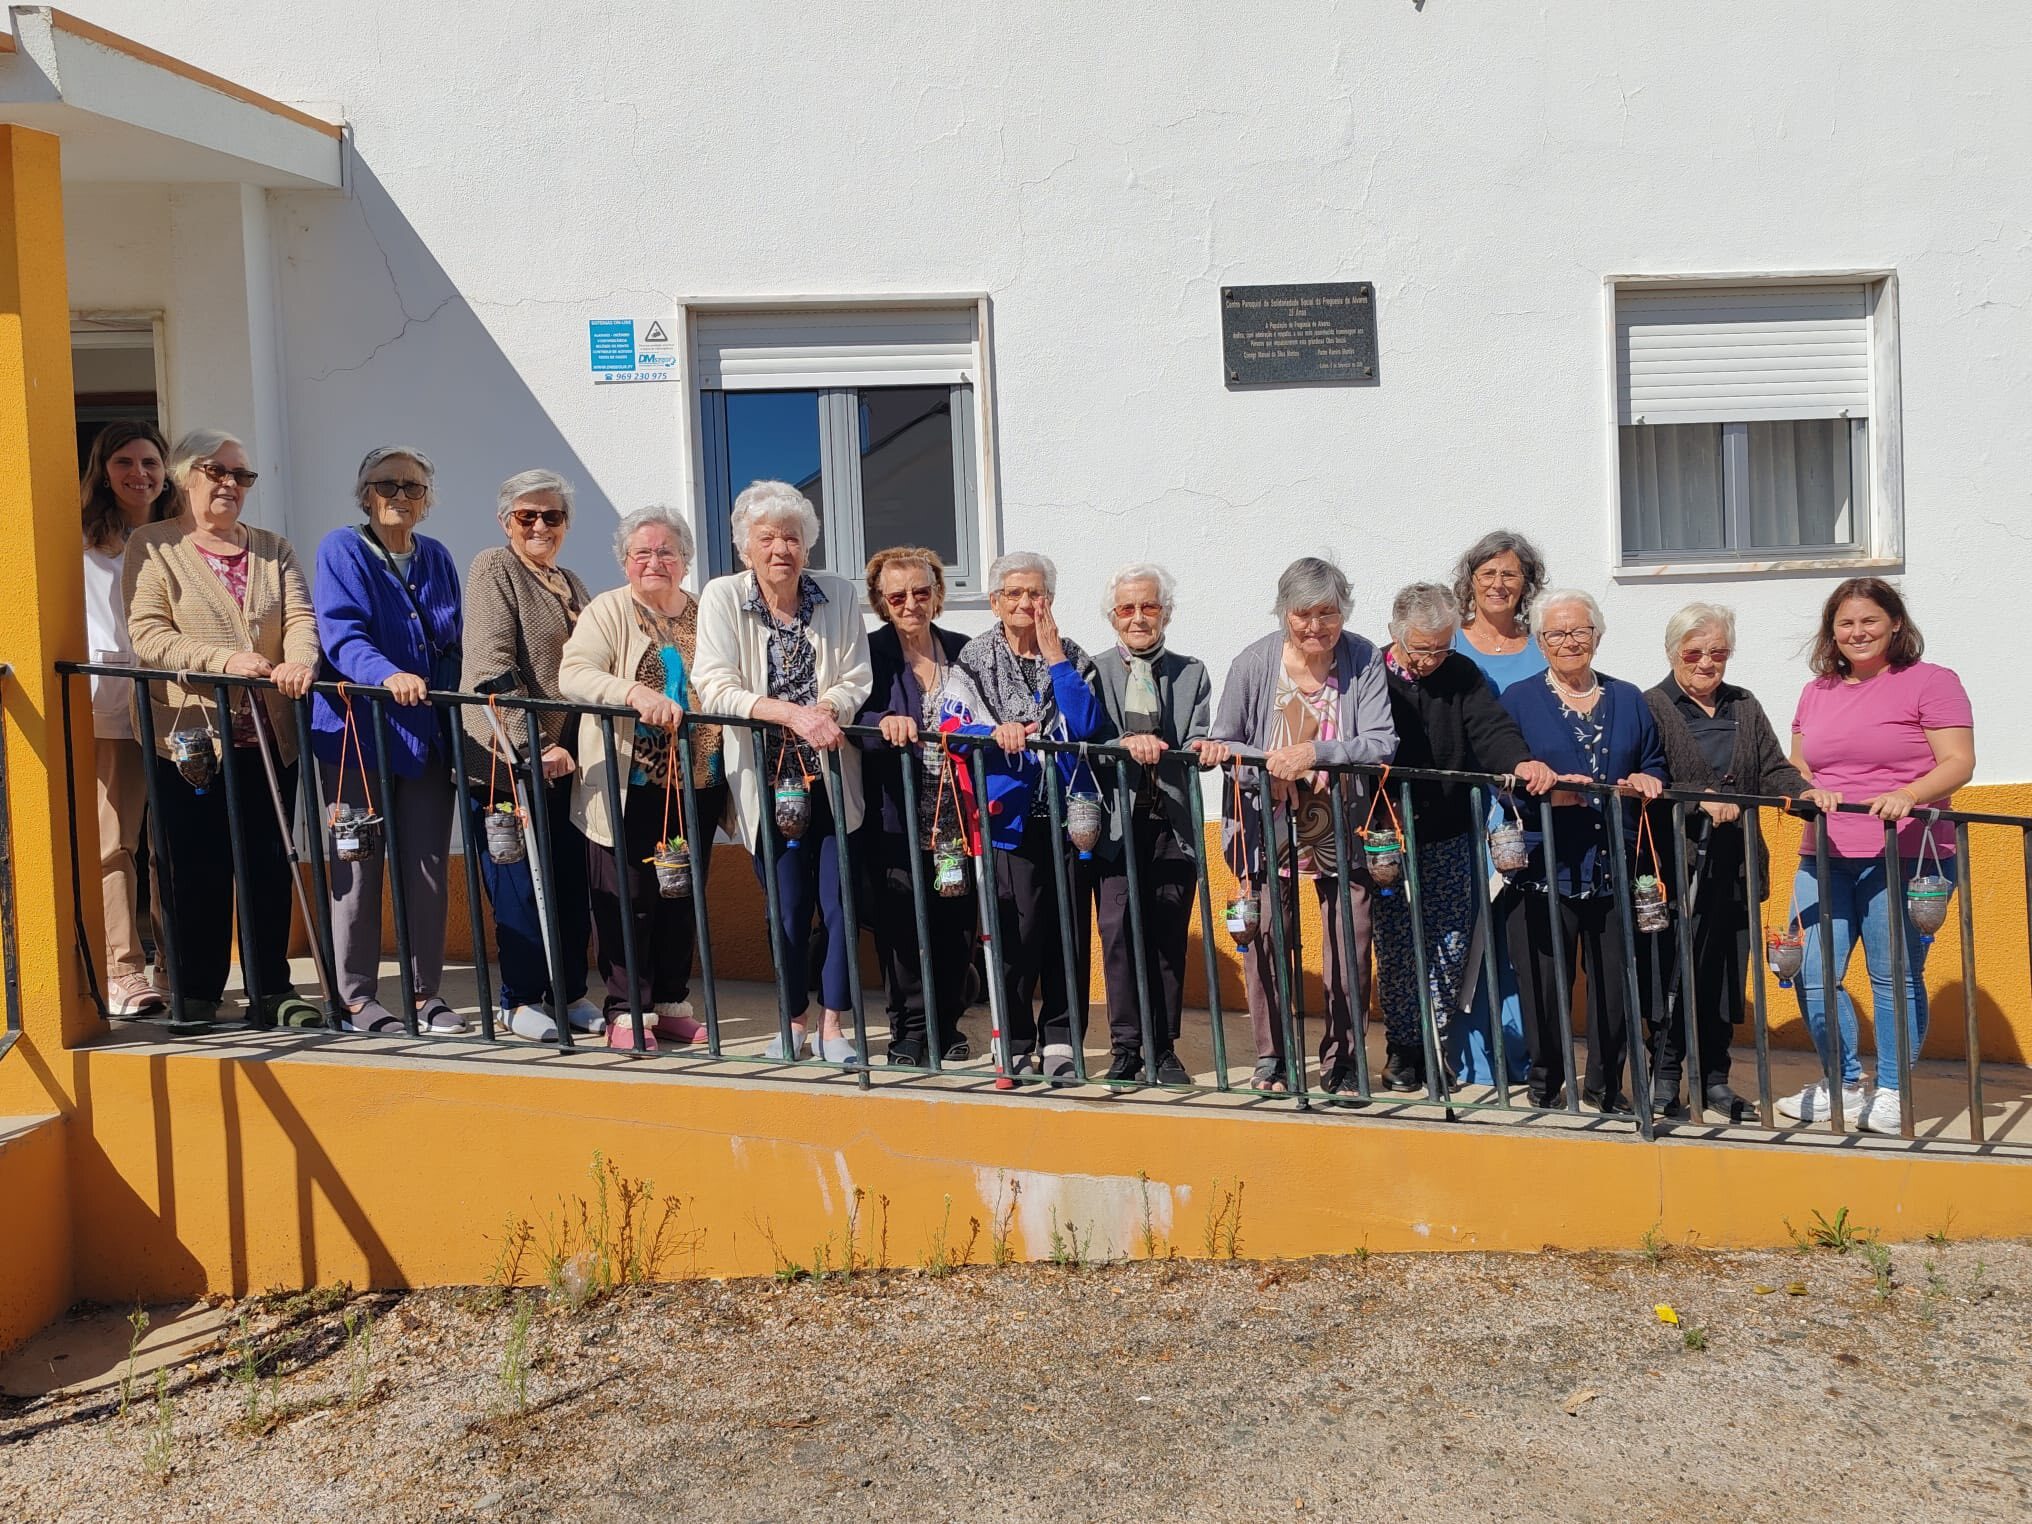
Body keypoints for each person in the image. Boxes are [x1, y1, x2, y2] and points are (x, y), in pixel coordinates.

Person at [123, 429, 320, 1030]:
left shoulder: (272, 548)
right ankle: (198, 992)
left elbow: (301, 621)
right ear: (186, 476)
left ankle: (271, 991)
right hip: (188, 742)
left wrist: (298, 662)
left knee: (266, 864)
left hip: (267, 739)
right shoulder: (152, 545)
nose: (231, 484)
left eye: (243, 475)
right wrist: (224, 661)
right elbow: (149, 633)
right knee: (193, 867)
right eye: (218, 471)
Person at [1780, 579, 1974, 1133]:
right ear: (1831, 631)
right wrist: (1803, 788)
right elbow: (1799, 763)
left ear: (1894, 623)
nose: (1857, 632)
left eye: (1869, 621)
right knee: (1811, 972)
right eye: (1846, 623)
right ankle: (1839, 1082)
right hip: (1825, 849)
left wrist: (1910, 795)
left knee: (1893, 976)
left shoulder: (1931, 682)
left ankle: (1892, 1089)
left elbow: (1959, 760)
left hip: (1907, 853)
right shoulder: (1817, 690)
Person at [1203, 557, 1397, 1095]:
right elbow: (1224, 742)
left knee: (1349, 948)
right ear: (1284, 612)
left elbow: (1381, 740)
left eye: (1328, 613)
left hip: (1341, 826)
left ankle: (1344, 1060)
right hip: (1268, 827)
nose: (1316, 626)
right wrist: (1270, 766)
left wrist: (1315, 751)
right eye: (1303, 613)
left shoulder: (1362, 660)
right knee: (1267, 941)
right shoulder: (1253, 663)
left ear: (1344, 612)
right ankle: (1274, 1057)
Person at [694, 481, 872, 1062]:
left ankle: (833, 1025)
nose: (780, 549)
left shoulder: (838, 595)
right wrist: (791, 715)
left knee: (841, 901)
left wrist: (828, 711)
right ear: (745, 547)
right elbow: (715, 687)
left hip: (831, 776)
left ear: (807, 546)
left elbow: (855, 677)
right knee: (787, 908)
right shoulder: (722, 597)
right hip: (765, 783)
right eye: (766, 538)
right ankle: (793, 1021)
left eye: (791, 537)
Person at [558, 507, 728, 1051]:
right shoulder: (609, 610)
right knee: (628, 896)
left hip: (697, 778)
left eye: (666, 552)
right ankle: (627, 1010)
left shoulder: (706, 613)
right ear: (625, 561)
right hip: (630, 782)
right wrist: (632, 694)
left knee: (681, 892)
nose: (655, 561)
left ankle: (673, 1000)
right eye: (642, 553)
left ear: (685, 560)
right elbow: (574, 673)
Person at [1376, 583, 1555, 1092]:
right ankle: (1403, 1050)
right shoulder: (1372, 672)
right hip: (1388, 831)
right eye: (1421, 649)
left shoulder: (1461, 672)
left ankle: (1434, 1047)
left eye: (1441, 647)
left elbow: (1490, 729)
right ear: (1396, 635)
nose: (1432, 659)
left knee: (1451, 944)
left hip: (1451, 829)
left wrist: (1518, 762)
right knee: (1397, 946)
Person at [310, 447, 464, 1034]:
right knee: (357, 865)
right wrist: (386, 675)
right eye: (386, 484)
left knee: (426, 869)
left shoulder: (438, 557)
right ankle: (355, 999)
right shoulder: (342, 548)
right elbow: (341, 634)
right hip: (358, 733)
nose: (400, 495)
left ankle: (427, 996)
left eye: (413, 486)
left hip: (425, 734)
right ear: (365, 493)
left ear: (426, 501)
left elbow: (449, 645)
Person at [1498, 590, 1665, 1113]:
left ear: (1597, 636)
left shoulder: (1628, 697)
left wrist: (1646, 779)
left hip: (1614, 861)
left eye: (1579, 632)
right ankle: (1546, 1082)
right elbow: (1503, 776)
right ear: (1541, 643)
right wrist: (1535, 780)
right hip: (1544, 864)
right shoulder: (1520, 699)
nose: (1569, 642)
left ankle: (1605, 1087)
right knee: (1544, 982)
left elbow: (1656, 763)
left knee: (1614, 986)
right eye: (1556, 634)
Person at [1640, 603, 1807, 1121]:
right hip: (1676, 867)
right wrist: (1696, 797)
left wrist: (1806, 793)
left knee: (1724, 977)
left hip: (1734, 864)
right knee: (1670, 971)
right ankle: (1664, 1079)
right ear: (1673, 654)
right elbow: (1646, 777)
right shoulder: (1652, 704)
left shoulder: (1745, 704)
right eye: (1694, 652)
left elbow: (1775, 769)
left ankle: (1714, 1079)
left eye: (1718, 652)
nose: (1707, 662)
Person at [951, 551, 1107, 1083]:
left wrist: (1055, 658)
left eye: (1035, 593)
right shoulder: (974, 658)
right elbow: (951, 729)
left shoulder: (1073, 657)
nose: (1024, 602)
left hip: (1069, 818)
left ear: (1050, 601)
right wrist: (993, 734)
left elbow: (1086, 725)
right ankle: (1014, 1040)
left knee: (1067, 932)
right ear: (994, 601)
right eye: (1013, 593)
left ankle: (1061, 1039)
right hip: (1009, 820)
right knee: (1014, 934)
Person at [459, 469, 601, 1041]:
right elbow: (492, 666)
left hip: (568, 761)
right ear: (505, 522)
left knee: (569, 882)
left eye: (552, 516)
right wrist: (531, 744)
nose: (540, 525)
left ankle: (567, 993)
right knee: (518, 885)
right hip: (506, 759)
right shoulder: (494, 568)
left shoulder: (571, 582)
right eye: (527, 515)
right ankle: (518, 1001)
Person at [1088, 562, 1216, 1085]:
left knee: (1167, 935)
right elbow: (1086, 742)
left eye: (1149, 606)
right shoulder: (1094, 670)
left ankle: (1163, 1048)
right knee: (1118, 933)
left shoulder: (1192, 671)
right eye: (1127, 608)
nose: (1138, 617)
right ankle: (1125, 1047)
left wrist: (1197, 750)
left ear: (1165, 612)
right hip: (1116, 825)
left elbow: (1202, 735)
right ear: (1113, 616)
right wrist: (1122, 745)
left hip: (1173, 824)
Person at [853, 546, 973, 1067]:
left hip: (956, 816)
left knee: (957, 921)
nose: (910, 604)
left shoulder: (963, 649)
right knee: (901, 924)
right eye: (897, 595)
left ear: (937, 595)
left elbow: (986, 710)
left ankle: (946, 1024)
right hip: (895, 813)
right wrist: (882, 721)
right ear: (881, 601)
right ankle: (908, 1029)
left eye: (920, 593)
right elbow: (853, 710)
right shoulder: (869, 651)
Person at [1446, 529, 1551, 1086]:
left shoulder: (1543, 647)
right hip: (1460, 814)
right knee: (1464, 937)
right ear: (1470, 582)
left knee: (1515, 943)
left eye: (1510, 574)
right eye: (1487, 574)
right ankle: (1467, 1060)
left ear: (1527, 584)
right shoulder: (1451, 643)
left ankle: (1519, 1060)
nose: (1498, 584)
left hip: (1522, 819)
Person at [80, 420, 177, 1017]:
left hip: (178, 707)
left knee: (173, 843)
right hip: (111, 706)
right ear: (103, 469)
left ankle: (174, 964)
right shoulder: (82, 541)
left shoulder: (180, 539)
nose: (138, 474)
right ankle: (123, 969)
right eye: (124, 462)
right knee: (115, 842)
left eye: (150, 462)